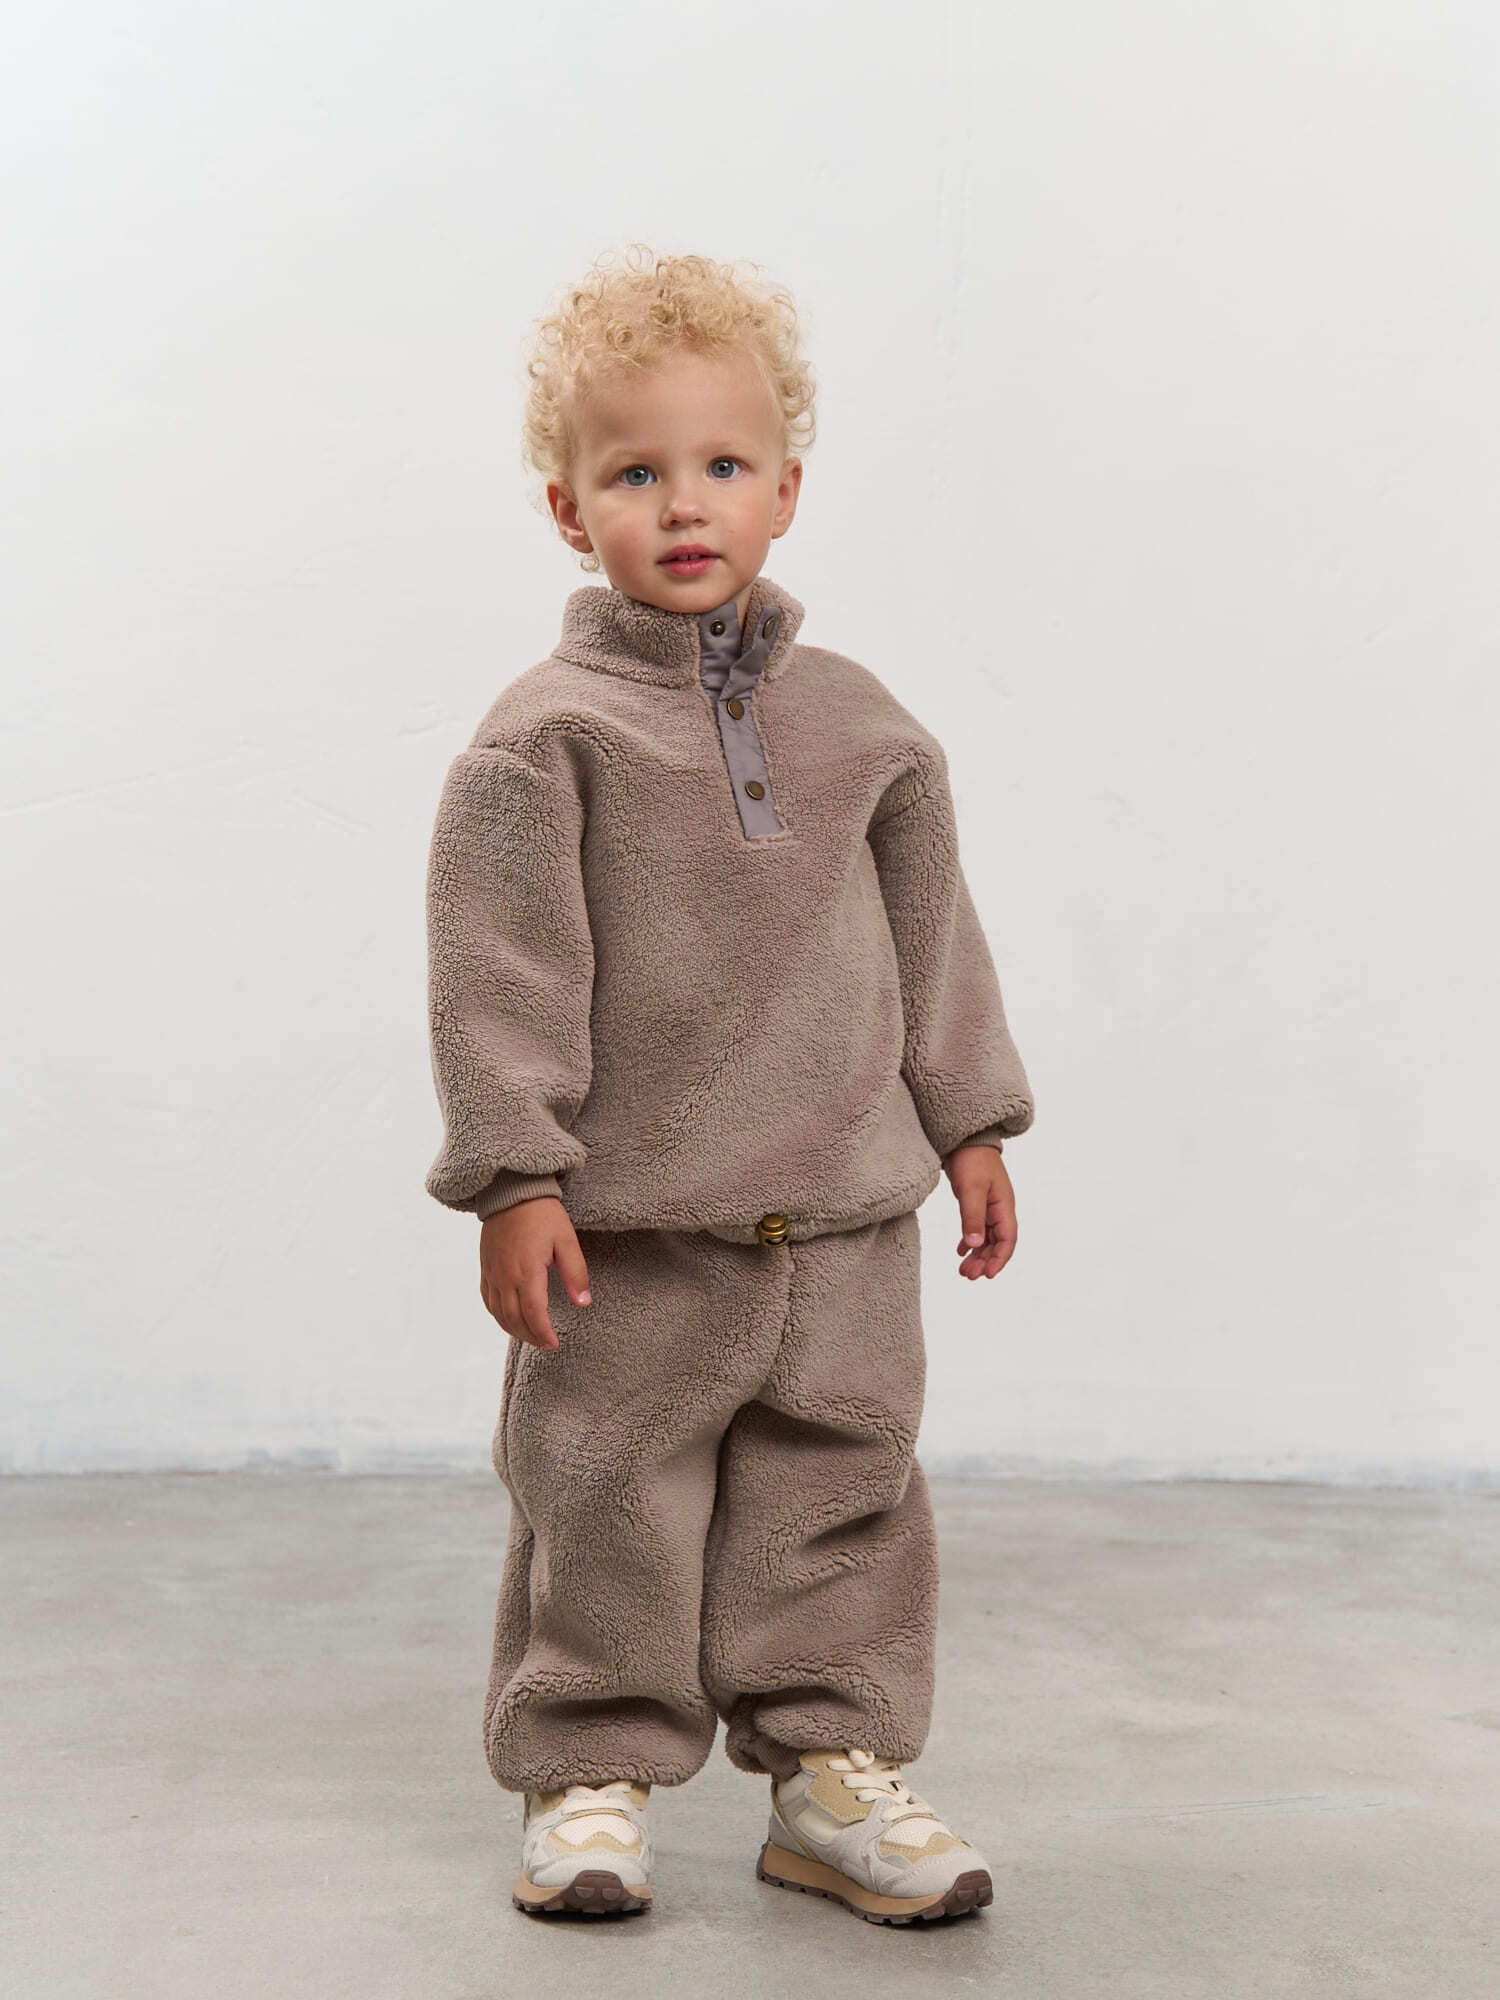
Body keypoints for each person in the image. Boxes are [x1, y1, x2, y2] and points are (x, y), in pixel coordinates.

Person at [423, 244, 1036, 1926]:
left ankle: (830, 1777)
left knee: (841, 1494)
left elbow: (934, 935)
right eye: (635, 473)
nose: (683, 502)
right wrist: (514, 1176)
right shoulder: (545, 738)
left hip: (843, 1219)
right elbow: (499, 976)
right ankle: (588, 1769)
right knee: (604, 1498)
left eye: (722, 464)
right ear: (570, 511)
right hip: (635, 1235)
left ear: (784, 489)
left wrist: (972, 1120)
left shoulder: (867, 729)